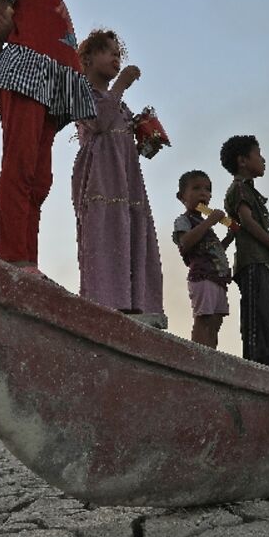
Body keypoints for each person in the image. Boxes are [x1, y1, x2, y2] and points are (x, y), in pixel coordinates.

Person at [0, 0, 95, 276]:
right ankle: (13, 257)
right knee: (20, 167)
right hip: (26, 76)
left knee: (40, 178)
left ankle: (29, 261)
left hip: (51, 86)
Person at [71, 29, 165, 325]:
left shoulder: (120, 105)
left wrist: (145, 134)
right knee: (106, 232)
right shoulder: (81, 92)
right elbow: (97, 120)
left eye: (118, 53)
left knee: (132, 231)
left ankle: (138, 306)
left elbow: (125, 134)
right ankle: (107, 305)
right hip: (101, 179)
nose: (116, 57)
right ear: (86, 59)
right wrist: (122, 84)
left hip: (127, 182)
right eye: (108, 51)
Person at [221, 135, 269, 368]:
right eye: (258, 154)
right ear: (242, 160)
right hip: (252, 265)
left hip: (264, 264)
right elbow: (247, 222)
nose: (263, 159)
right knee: (257, 327)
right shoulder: (239, 189)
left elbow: (242, 228)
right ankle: (254, 374)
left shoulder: (249, 191)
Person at [172, 170, 236, 347]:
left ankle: (211, 356)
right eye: (196, 188)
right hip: (202, 277)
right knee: (204, 318)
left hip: (219, 278)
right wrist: (210, 221)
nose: (203, 193)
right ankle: (197, 355)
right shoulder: (184, 220)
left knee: (216, 322)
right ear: (181, 196)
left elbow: (215, 251)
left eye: (207, 190)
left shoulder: (205, 226)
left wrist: (229, 238)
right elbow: (185, 243)